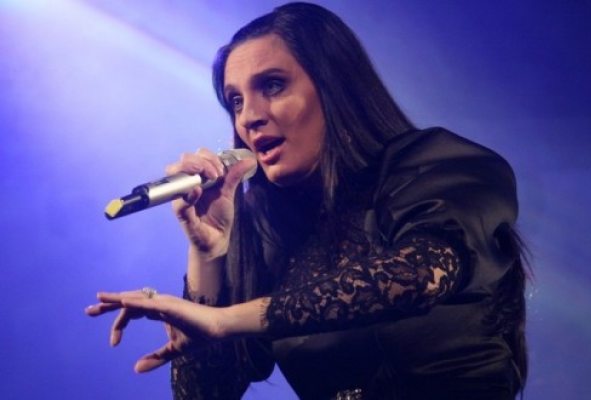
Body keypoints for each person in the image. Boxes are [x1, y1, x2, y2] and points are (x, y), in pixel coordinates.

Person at [86, 2, 529, 399]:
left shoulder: (439, 166)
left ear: (336, 87)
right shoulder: (267, 230)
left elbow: (418, 278)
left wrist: (225, 320)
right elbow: (205, 395)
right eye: (235, 101)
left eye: (273, 85)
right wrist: (208, 252)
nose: (248, 117)